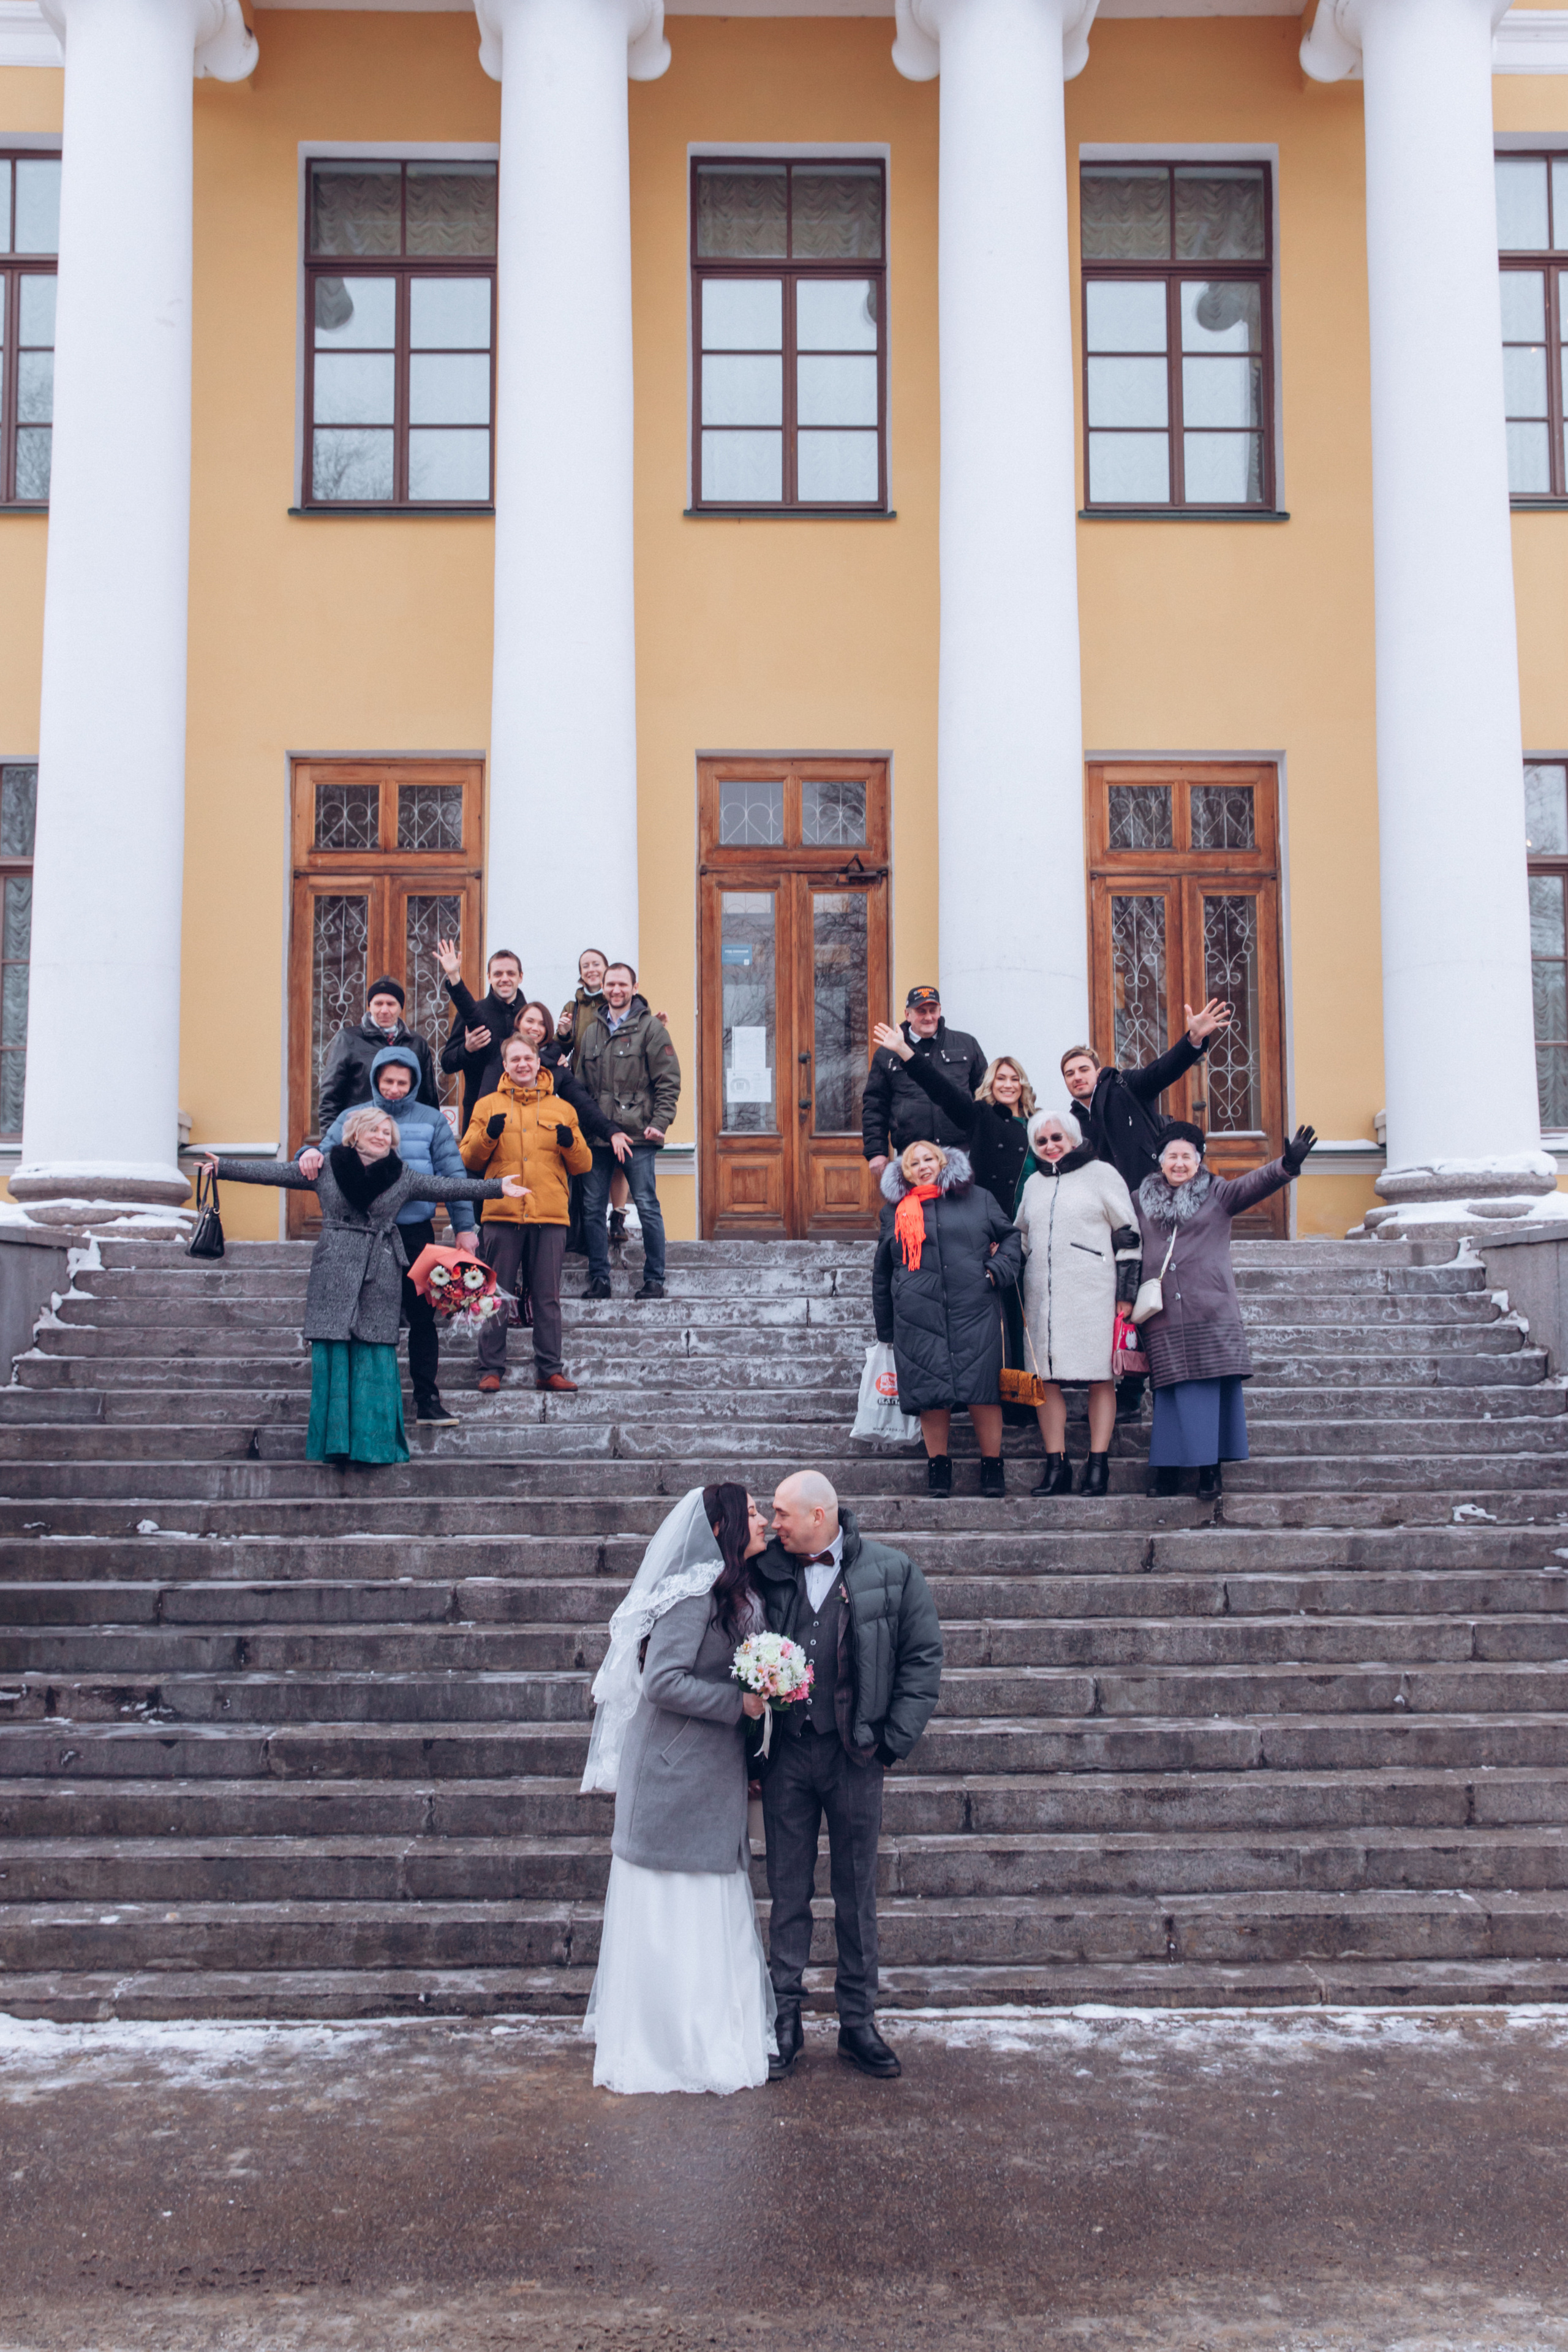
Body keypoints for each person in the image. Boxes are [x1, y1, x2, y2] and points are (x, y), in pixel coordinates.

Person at [578, 1483, 775, 2097]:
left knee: (709, 1908)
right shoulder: (691, 1596)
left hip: (708, 1775)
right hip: (674, 1777)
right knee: (674, 1913)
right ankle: (669, 2046)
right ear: (720, 1530)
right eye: (750, 1512)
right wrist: (739, 1702)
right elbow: (661, 1681)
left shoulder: (735, 1591)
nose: (763, 1518)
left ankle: (710, 2034)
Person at [752, 1469, 944, 2081]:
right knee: (787, 1892)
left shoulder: (891, 1571)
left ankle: (858, 2022)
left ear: (818, 1516)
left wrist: (891, 1743)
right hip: (787, 1755)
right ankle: (784, 2019)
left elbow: (922, 1656)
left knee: (857, 1894)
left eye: (782, 1514)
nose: (773, 1524)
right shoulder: (767, 1571)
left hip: (856, 1756)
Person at [200, 1112, 519, 1466]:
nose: (382, 1137)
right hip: (334, 1266)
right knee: (335, 1350)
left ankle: (375, 1445)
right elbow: (278, 1174)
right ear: (355, 1134)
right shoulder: (325, 1168)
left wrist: (497, 1187)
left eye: (388, 1132)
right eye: (374, 1130)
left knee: (375, 1350)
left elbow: (446, 1187)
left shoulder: (402, 1176)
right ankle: (335, 1444)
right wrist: (225, 1167)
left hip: (381, 1268)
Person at [1060, 998, 1233, 1423]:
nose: (1077, 1078)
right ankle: (1128, 1381)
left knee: (1147, 1295)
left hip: (1152, 1209)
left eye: (1083, 1069)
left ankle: (1137, 1389)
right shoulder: (1071, 1124)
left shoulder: (1124, 1087)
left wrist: (1194, 1040)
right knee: (1124, 1299)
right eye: (1069, 1074)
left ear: (1097, 1070)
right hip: (1114, 1220)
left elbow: (1163, 1070)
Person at [1134, 1118, 1317, 1501]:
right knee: (1169, 1394)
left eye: (1188, 1156)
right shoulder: (1138, 1200)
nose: (1180, 1163)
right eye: (1173, 1156)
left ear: (1199, 1161)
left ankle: (1209, 1471)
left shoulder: (1217, 1192)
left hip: (1210, 1310)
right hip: (1162, 1313)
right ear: (1160, 1160)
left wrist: (1287, 1164)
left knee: (1209, 1392)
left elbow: (1253, 1184)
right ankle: (1166, 1472)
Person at [298, 1044, 479, 1428]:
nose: (395, 1088)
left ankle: (428, 1401)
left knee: (422, 1318)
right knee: (364, 1319)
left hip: (414, 1233)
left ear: (413, 1083)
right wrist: (306, 1153)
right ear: (376, 1081)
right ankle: (362, 1405)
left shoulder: (431, 1120)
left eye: (402, 1081)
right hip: (363, 1236)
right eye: (388, 1081)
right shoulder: (354, 1116)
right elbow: (324, 1154)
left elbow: (453, 1176)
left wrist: (465, 1228)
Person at [872, 1139, 1023, 1499]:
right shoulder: (893, 1212)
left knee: (983, 1390)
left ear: (943, 1162)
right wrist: (886, 1328)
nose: (923, 1166)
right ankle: (938, 1467)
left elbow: (1011, 1239)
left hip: (974, 1309)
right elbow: (882, 1270)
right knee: (930, 1394)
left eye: (929, 1159)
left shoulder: (978, 1198)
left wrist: (993, 1273)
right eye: (914, 1163)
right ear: (904, 1173)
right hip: (917, 1315)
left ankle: (992, 1466)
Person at [1013, 1108, 1142, 1498]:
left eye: (1057, 1138)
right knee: (1042, 1380)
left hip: (1094, 1295)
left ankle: (1098, 1465)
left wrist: (1127, 1294)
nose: (1050, 1146)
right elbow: (1020, 1235)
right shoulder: (1034, 1184)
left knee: (1100, 1377)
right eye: (1042, 1141)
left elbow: (1129, 1235)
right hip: (1042, 1298)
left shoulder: (1102, 1174)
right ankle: (1057, 1466)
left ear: (1072, 1138)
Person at [460, 1031, 592, 1394]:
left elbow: (583, 1164)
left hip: (549, 1214)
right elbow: (468, 1158)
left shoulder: (562, 1108)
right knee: (495, 1294)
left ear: (538, 1063)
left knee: (547, 1297)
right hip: (501, 1214)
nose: (522, 1065)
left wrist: (570, 1143)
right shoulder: (487, 1105)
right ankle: (490, 1368)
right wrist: (488, 1136)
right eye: (515, 1059)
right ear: (505, 1065)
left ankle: (550, 1369)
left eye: (528, 1059)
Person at [576, 962, 680, 1303]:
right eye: (611, 984)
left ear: (635, 987)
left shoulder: (651, 1029)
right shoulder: (592, 1031)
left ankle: (654, 1280)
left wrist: (660, 1123)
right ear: (603, 988)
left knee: (647, 1206)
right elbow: (579, 1087)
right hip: (598, 1137)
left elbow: (669, 1082)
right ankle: (599, 1279)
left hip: (639, 1136)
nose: (616, 990)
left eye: (623, 984)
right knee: (592, 1208)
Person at [862, 986, 986, 1180]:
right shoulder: (887, 1053)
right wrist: (876, 1151)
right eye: (921, 1011)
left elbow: (984, 1095)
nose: (928, 1017)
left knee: (960, 1210)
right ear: (908, 1015)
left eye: (933, 1010)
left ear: (940, 1011)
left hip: (960, 1153)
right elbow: (875, 1106)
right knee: (916, 1210)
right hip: (911, 1156)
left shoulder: (966, 1044)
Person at [316, 977, 439, 1131]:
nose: (384, 1010)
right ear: (370, 1006)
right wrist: (333, 1146)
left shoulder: (417, 1044)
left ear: (401, 1007)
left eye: (391, 1004)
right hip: (361, 1135)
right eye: (378, 1003)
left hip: (408, 1136)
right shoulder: (348, 1040)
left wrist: (432, 1138)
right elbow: (330, 1099)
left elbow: (428, 1099)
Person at [435, 941, 526, 1131]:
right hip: (479, 1109)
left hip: (524, 1111)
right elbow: (447, 1063)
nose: (505, 979)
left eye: (511, 974)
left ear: (521, 977)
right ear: (488, 977)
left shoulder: (531, 1016)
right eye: (498, 974)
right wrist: (467, 1050)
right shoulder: (473, 1012)